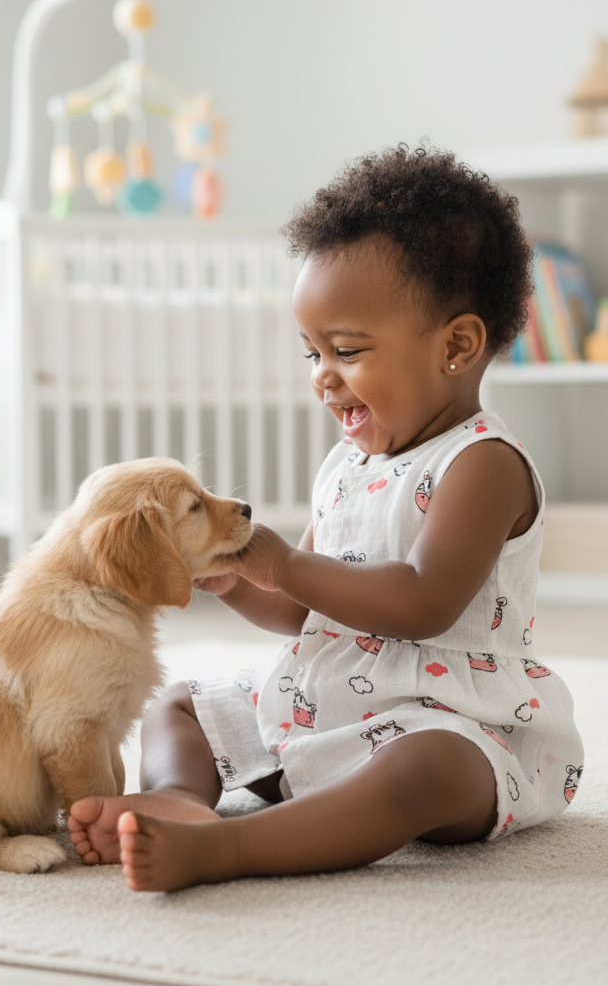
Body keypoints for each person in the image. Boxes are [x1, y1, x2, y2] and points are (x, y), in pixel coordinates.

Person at [67, 144, 584, 892]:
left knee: (425, 768)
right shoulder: (347, 465)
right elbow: (298, 610)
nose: (322, 377)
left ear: (457, 346)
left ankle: (231, 849)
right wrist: (237, 581)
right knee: (181, 702)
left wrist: (284, 563)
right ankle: (182, 800)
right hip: (328, 707)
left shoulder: (482, 464)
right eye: (312, 353)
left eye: (346, 350)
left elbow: (425, 601)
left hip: (448, 719)